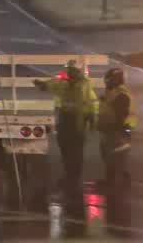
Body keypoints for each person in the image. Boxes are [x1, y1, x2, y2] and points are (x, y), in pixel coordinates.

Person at [34, 60, 98, 193]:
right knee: (65, 150)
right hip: (65, 122)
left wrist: (91, 120)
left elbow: (91, 105)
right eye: (68, 69)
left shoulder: (85, 85)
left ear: (77, 71)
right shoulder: (64, 83)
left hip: (77, 123)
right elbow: (51, 86)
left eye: (71, 70)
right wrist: (42, 84)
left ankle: (73, 179)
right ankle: (69, 176)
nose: (68, 72)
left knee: (75, 153)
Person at [98, 67, 135, 196]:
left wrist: (115, 128)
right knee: (109, 157)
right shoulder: (113, 92)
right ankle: (112, 184)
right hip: (110, 130)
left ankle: (118, 189)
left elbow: (121, 115)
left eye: (108, 79)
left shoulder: (121, 94)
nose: (106, 81)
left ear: (116, 80)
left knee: (115, 159)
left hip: (116, 131)